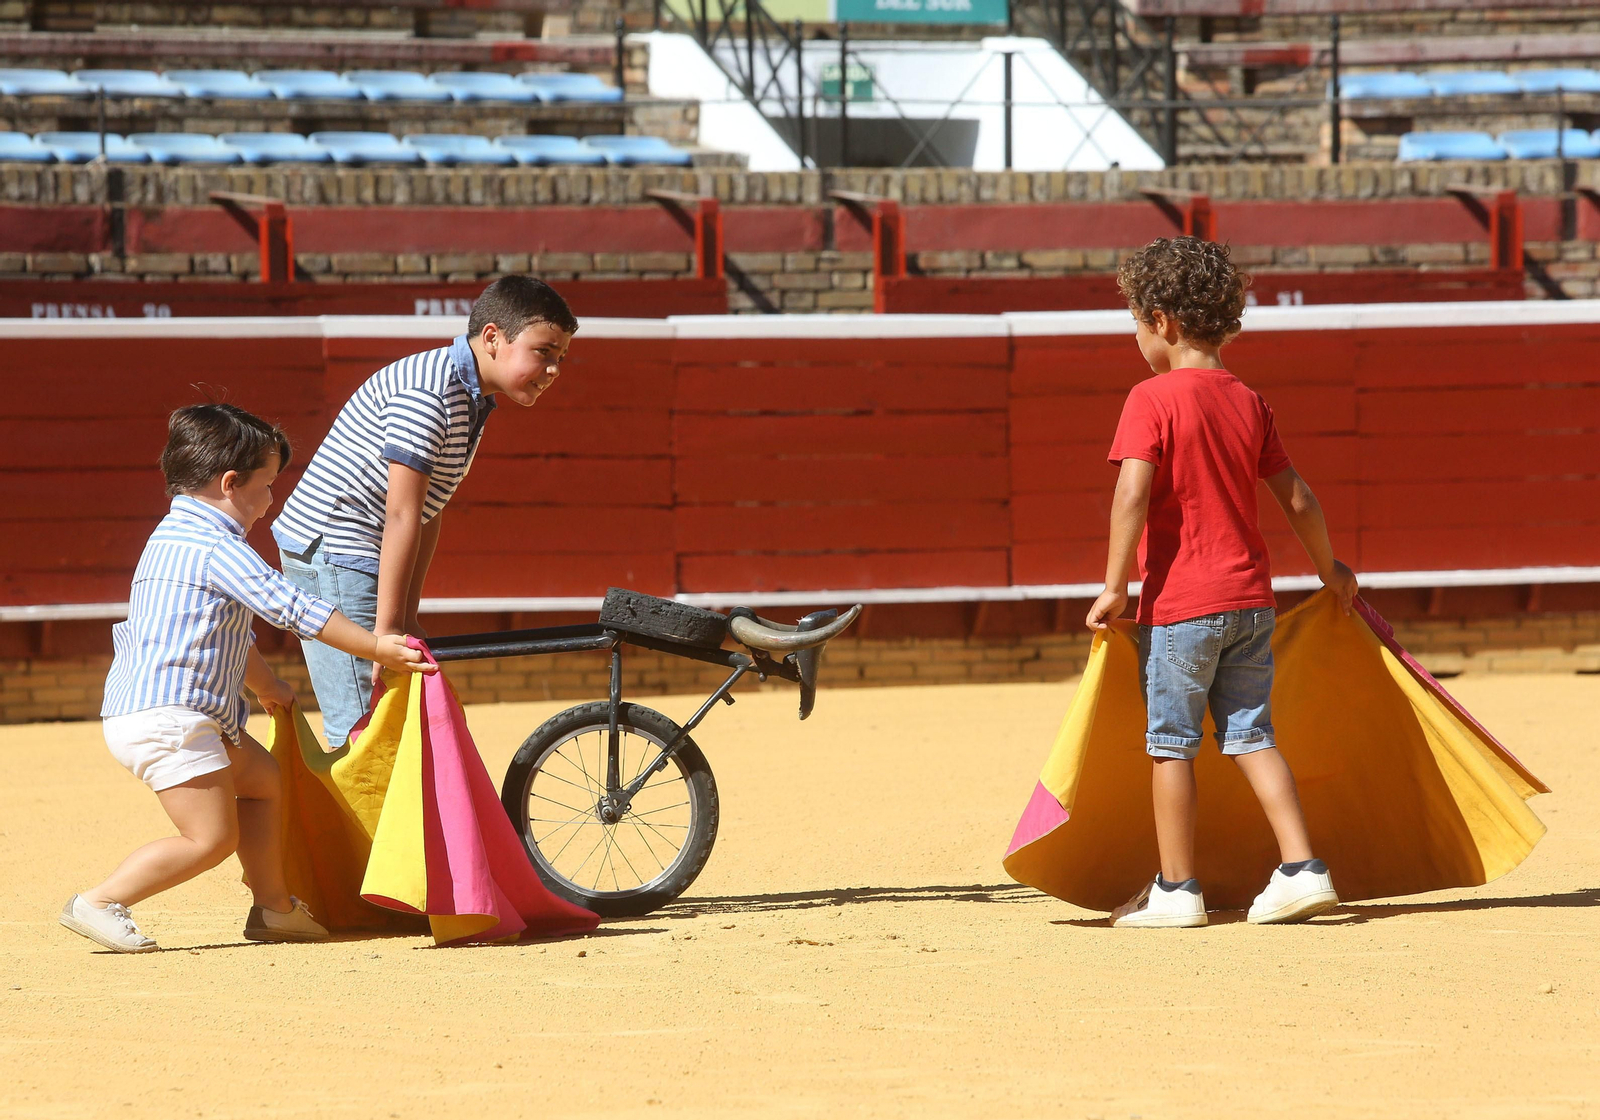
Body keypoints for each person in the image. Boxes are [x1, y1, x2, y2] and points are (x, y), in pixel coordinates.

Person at [61, 404, 435, 954]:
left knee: (261, 781)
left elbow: (224, 629)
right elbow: (292, 607)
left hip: (174, 711)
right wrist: (376, 644)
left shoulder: (175, 533)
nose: (272, 499)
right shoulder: (216, 546)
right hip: (171, 718)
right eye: (267, 485)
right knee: (210, 838)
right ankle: (99, 901)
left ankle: (275, 907)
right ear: (230, 483)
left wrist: (265, 688)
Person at [1085, 237, 1359, 929]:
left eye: (1136, 326)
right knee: (1251, 734)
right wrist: (1332, 570)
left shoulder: (1151, 398)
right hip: (1250, 604)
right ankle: (1302, 867)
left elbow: (1131, 498)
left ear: (1163, 322)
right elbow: (1297, 498)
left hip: (1181, 608)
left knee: (1171, 744)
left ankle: (1177, 889)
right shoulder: (1248, 399)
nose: (1137, 340)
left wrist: (1116, 586)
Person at [272, 276, 577, 747]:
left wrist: (406, 616)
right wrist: (386, 633)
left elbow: (429, 510)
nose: (555, 368)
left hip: (354, 548)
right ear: (493, 338)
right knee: (362, 729)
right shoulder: (431, 394)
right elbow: (401, 516)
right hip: (335, 548)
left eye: (561, 357)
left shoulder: (467, 396)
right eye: (544, 351)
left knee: (381, 722)